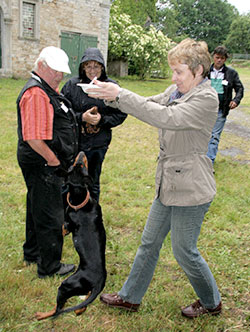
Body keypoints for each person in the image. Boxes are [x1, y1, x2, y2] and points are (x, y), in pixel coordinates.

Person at [87, 38, 222, 318]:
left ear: (198, 71)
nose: (173, 78)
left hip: (191, 188)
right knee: (149, 242)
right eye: (173, 71)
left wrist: (120, 94)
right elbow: (149, 104)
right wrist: (110, 96)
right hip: (168, 183)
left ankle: (212, 302)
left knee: (184, 251)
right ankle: (129, 297)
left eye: (179, 72)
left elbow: (165, 117)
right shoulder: (177, 90)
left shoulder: (206, 99)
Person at [17, 46, 78, 278]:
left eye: (62, 72)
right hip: (42, 163)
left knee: (36, 207)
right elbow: (34, 138)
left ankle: (32, 253)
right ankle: (50, 266)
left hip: (41, 162)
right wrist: (54, 162)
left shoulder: (45, 89)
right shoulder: (36, 94)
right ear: (41, 66)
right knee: (51, 213)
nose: (60, 76)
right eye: (55, 71)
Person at [61, 48, 127, 202]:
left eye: (96, 66)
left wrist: (101, 120)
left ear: (102, 67)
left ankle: (91, 217)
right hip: (75, 142)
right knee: (70, 180)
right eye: (88, 66)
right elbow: (62, 110)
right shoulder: (72, 85)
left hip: (98, 144)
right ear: (83, 67)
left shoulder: (111, 86)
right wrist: (81, 117)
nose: (92, 70)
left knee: (93, 182)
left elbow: (121, 113)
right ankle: (68, 214)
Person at [207, 46, 244, 164]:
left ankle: (209, 162)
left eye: (222, 58)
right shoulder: (205, 71)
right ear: (213, 57)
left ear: (225, 59)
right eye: (217, 57)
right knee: (202, 134)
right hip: (204, 108)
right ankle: (199, 160)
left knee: (214, 136)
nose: (219, 60)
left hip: (221, 109)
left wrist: (236, 100)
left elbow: (239, 88)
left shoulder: (231, 73)